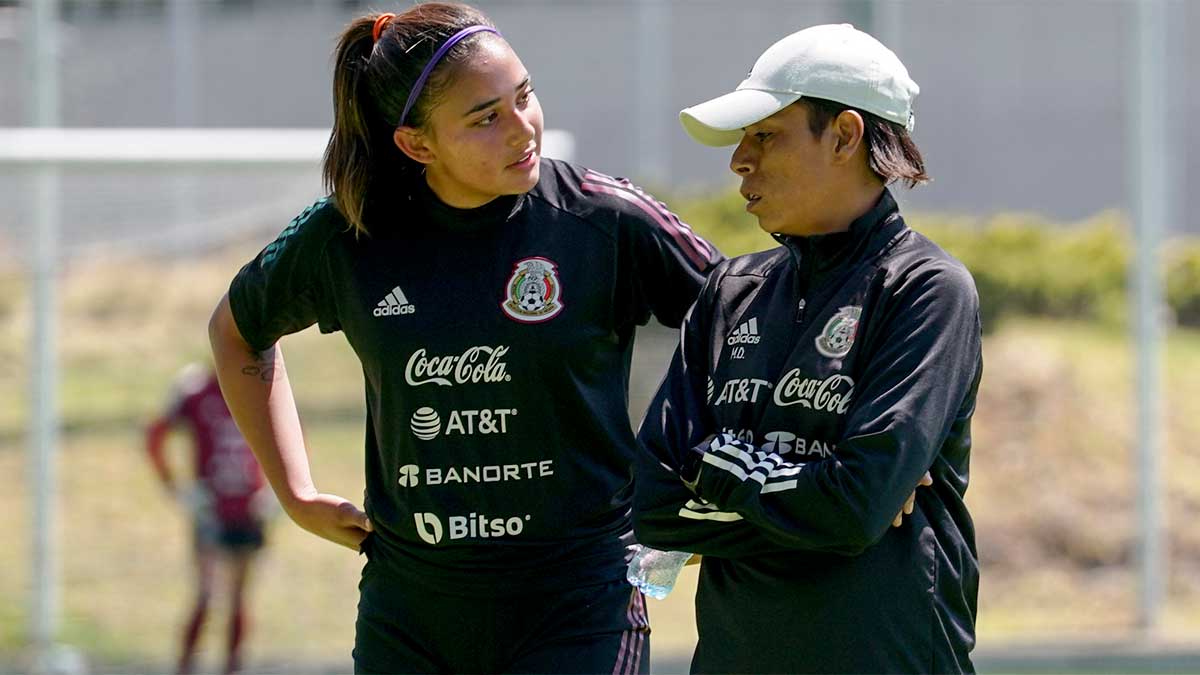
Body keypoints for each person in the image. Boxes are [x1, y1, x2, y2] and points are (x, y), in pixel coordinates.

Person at [206, 3, 721, 673]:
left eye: (524, 97)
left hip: (580, 604)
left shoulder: (603, 220)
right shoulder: (350, 234)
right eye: (485, 118)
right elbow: (237, 332)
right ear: (418, 144)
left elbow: (753, 320)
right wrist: (296, 492)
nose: (522, 129)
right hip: (411, 612)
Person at [632, 24, 982, 674]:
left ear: (846, 135)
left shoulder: (927, 289)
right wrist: (816, 499)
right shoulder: (729, 289)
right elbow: (654, 504)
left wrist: (713, 460)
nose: (740, 159)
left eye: (764, 135)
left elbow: (854, 506)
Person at [145, 363, 273, 675]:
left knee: (240, 596)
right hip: (212, 510)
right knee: (207, 593)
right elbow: (155, 435)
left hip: (248, 508)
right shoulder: (196, 391)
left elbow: (293, 437)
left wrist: (279, 492)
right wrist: (177, 489)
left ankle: (232, 667)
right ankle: (186, 666)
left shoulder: (262, 386)